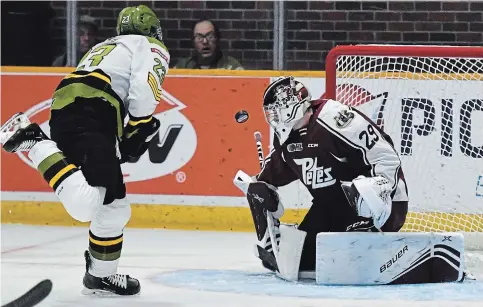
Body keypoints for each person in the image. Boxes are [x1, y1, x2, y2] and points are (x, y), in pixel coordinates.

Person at [0, 5, 169, 295]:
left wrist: (125, 138)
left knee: (114, 208)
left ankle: (100, 276)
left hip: (74, 107)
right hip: (93, 110)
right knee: (85, 204)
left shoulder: (108, 45)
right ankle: (36, 141)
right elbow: (144, 90)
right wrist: (138, 127)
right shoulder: (149, 45)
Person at [234, 76, 468, 284]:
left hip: (377, 204)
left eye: (274, 111)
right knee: (302, 263)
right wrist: (258, 190)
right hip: (329, 207)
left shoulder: (333, 118)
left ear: (291, 106)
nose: (271, 118)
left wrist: (382, 192)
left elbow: (385, 156)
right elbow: (272, 177)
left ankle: (402, 247)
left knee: (360, 193)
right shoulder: (284, 138)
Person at [174, 19, 243, 70]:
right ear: (193, 42)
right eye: (199, 37)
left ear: (217, 39)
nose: (205, 41)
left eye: (210, 36)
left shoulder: (231, 66)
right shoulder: (183, 66)